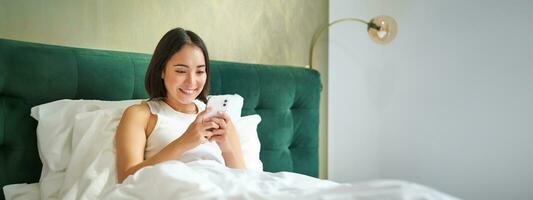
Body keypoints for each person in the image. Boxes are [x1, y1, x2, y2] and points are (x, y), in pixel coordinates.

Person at [115, 28, 245, 183]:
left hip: (223, 187)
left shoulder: (216, 117)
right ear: (161, 70)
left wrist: (226, 147)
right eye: (181, 71)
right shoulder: (140, 114)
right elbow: (126, 178)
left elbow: (244, 178)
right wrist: (184, 142)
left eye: (199, 72)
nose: (191, 81)